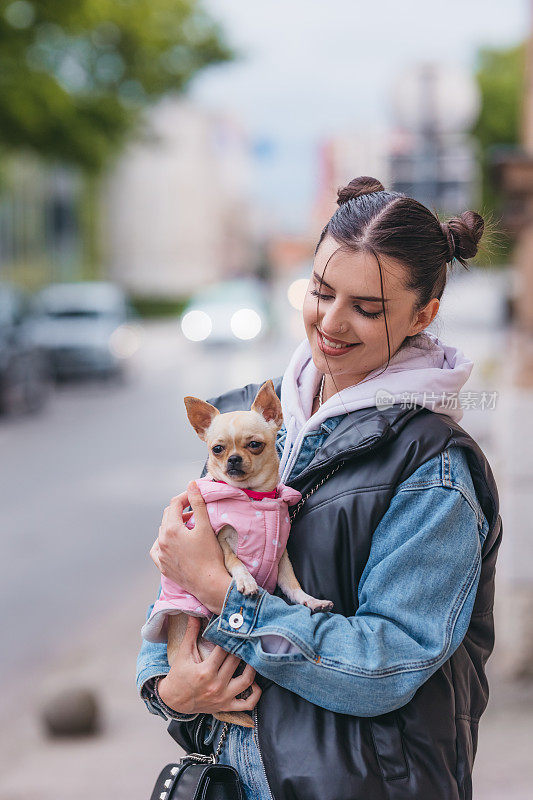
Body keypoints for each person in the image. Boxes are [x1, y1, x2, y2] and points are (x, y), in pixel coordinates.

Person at [137, 176, 501, 800]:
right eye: (321, 292)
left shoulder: (432, 466)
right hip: (230, 779)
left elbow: (387, 664)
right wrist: (167, 688)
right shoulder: (250, 426)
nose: (331, 323)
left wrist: (230, 598)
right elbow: (179, 587)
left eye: (367, 307)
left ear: (423, 315)